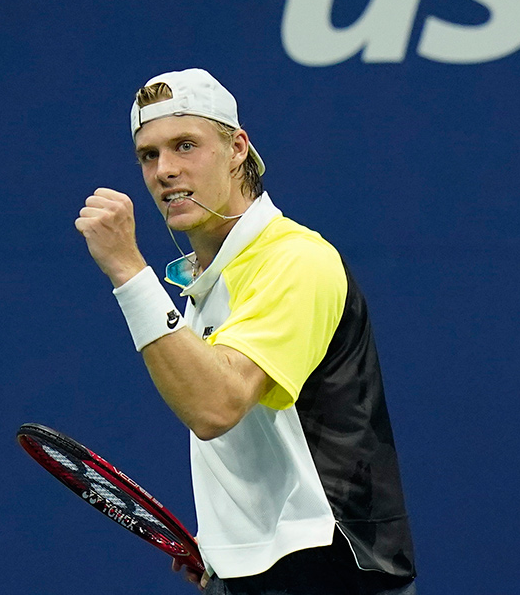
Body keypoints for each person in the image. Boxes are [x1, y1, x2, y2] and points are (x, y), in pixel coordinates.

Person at [75, 68, 415, 595]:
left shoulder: (295, 260)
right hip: (259, 573)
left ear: (237, 148)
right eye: (149, 154)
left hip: (334, 573)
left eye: (185, 146)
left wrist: (127, 270)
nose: (165, 170)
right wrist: (229, 542)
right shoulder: (210, 281)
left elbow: (216, 407)